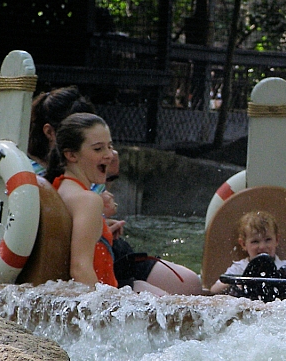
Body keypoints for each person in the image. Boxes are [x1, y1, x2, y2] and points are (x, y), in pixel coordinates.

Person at [48, 113, 202, 296]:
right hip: (103, 297)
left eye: (110, 146)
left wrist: (102, 229)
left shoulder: (61, 187)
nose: (109, 155)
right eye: (98, 149)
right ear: (71, 155)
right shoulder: (88, 200)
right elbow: (80, 269)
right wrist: (98, 312)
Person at [209, 211, 286, 299]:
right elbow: (214, 290)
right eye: (255, 242)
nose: (262, 247)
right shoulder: (239, 268)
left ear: (277, 240)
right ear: (243, 244)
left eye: (268, 240)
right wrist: (239, 282)